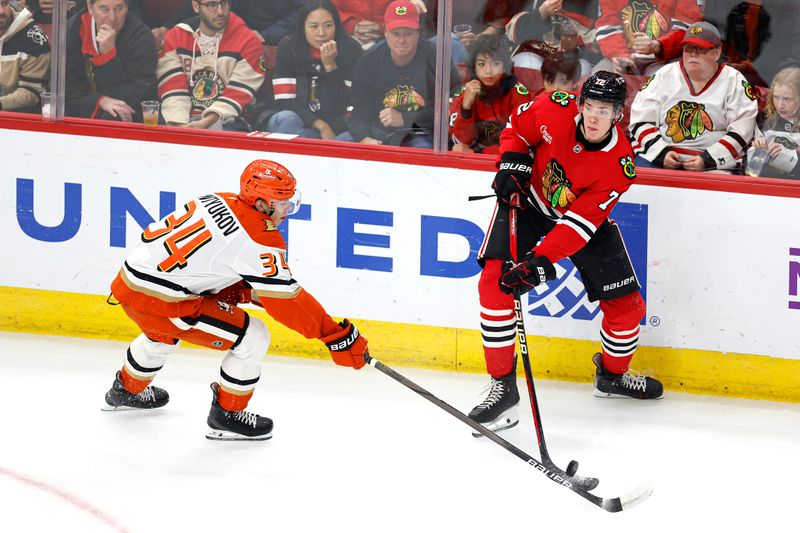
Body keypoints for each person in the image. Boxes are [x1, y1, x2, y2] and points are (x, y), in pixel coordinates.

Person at [103, 159, 370, 441]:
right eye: (281, 203)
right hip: (167, 303)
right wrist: (334, 336)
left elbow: (206, 264)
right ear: (259, 202)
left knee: (162, 333)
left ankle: (126, 389)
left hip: (130, 286)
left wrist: (246, 291)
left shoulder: (217, 199)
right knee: (252, 335)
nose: (287, 211)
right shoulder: (259, 236)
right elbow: (288, 301)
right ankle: (227, 415)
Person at [469, 70, 663, 434]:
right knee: (493, 286)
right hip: (526, 204)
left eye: (604, 110)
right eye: (590, 106)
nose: (594, 117)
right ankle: (503, 388)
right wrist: (512, 162)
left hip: (579, 223)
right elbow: (516, 128)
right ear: (580, 103)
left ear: (617, 114)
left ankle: (612, 377)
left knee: (629, 310)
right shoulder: (552, 107)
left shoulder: (620, 165)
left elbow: (578, 224)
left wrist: (540, 261)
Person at [629, 21, 759, 172]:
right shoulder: (663, 75)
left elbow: (743, 131)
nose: (693, 54)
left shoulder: (734, 80)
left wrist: (707, 160)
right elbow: (641, 121)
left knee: (719, 190)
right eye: (688, 48)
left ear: (717, 52)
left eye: (700, 49)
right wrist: (661, 154)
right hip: (660, 157)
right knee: (635, 178)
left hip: (714, 164)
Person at [338, 0, 459, 148]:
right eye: (396, 34)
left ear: (418, 33)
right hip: (378, 130)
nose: (401, 40)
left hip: (421, 132)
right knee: (341, 143)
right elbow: (359, 111)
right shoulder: (368, 61)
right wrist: (364, 138)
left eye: (408, 34)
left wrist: (406, 118)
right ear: (386, 33)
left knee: (422, 151)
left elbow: (452, 105)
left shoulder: (437, 58)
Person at [156, 0, 267, 130]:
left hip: (230, 121)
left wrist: (206, 122)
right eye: (212, 5)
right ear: (196, 6)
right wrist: (181, 126)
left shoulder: (248, 41)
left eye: (225, 3)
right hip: (181, 121)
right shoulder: (175, 37)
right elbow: (172, 90)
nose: (220, 11)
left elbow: (238, 94)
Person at [267, 0, 362, 139]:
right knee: (286, 118)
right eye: (314, 26)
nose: (321, 33)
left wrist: (330, 67)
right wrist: (320, 124)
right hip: (300, 119)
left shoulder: (351, 50)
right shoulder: (288, 48)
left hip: (338, 123)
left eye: (328, 25)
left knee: (347, 138)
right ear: (303, 27)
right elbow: (284, 100)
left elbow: (346, 103)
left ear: (336, 26)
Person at [65, 0, 157, 122]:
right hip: (83, 107)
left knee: (114, 115)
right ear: (90, 7)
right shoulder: (72, 29)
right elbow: (66, 89)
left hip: (127, 111)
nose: (113, 18)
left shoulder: (141, 36)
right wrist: (100, 101)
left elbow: (138, 95)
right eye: (104, 9)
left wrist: (108, 56)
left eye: (119, 8)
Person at [449, 34, 532, 154]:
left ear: (505, 66)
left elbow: (521, 144)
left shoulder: (519, 95)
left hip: (505, 162)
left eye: (495, 63)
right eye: (481, 64)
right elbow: (460, 142)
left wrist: (478, 154)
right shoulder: (467, 92)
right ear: (474, 67)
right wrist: (466, 108)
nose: (488, 71)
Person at [593, 0, 702, 76]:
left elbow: (686, 29)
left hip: (665, 58)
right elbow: (607, 27)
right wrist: (620, 55)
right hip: (623, 57)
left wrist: (658, 45)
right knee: (599, 76)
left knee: (665, 78)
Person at [505, 0, 600, 78]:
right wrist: (541, 13)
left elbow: (600, 44)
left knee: (583, 70)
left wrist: (577, 43)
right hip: (536, 53)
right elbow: (515, 34)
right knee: (526, 64)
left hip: (573, 60)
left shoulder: (596, 5)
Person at [746, 67, 800, 179]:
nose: (780, 105)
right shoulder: (764, 119)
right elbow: (750, 170)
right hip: (767, 184)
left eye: (787, 99)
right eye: (776, 97)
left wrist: (783, 156)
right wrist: (759, 150)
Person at [0, 0, 50, 114]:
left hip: (21, 119)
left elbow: (32, 92)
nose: (1, 11)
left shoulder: (34, 38)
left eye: (4, 3)